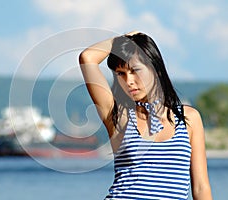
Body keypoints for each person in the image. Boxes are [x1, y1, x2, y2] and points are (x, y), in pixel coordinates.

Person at [79, 31, 212, 199]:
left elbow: (201, 187)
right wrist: (123, 39)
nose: (129, 81)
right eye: (121, 73)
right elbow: (87, 58)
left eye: (135, 70)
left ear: (155, 69)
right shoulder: (119, 116)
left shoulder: (189, 118)